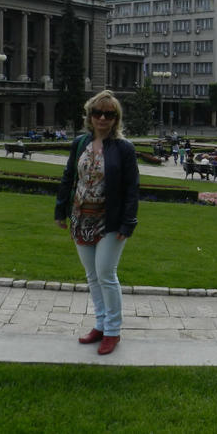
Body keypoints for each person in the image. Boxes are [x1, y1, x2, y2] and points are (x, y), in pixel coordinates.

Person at [54, 90, 139, 356]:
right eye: (97, 112)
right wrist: (60, 211)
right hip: (81, 218)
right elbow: (69, 177)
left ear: (116, 118)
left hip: (109, 221)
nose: (103, 118)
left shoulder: (124, 148)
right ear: (89, 115)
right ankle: (101, 325)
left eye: (109, 114)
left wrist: (128, 223)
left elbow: (131, 188)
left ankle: (113, 331)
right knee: (92, 276)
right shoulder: (80, 143)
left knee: (106, 274)